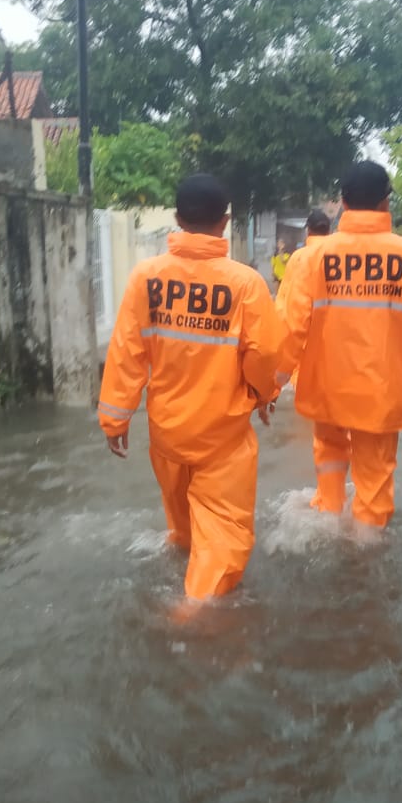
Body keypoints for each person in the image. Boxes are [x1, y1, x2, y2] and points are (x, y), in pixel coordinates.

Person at [98, 174, 284, 603]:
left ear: (178, 219)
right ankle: (192, 620)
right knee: (222, 537)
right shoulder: (245, 284)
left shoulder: (145, 277)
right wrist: (263, 396)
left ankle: (182, 562)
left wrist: (115, 416)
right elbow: (265, 355)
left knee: (182, 529)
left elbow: (127, 351)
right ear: (225, 222)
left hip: (167, 433)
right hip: (222, 437)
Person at [279, 161, 402, 530]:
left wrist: (269, 384)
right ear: (386, 203)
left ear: (342, 202)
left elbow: (291, 328)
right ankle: (366, 555)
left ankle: (328, 513)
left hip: (326, 387)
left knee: (328, 454)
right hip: (381, 392)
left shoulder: (312, 258)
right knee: (374, 483)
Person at [275, 210, 332, 391]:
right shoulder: (341, 256)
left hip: (306, 350)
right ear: (329, 231)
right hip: (338, 353)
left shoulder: (300, 258)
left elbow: (288, 310)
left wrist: (283, 365)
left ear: (308, 231)